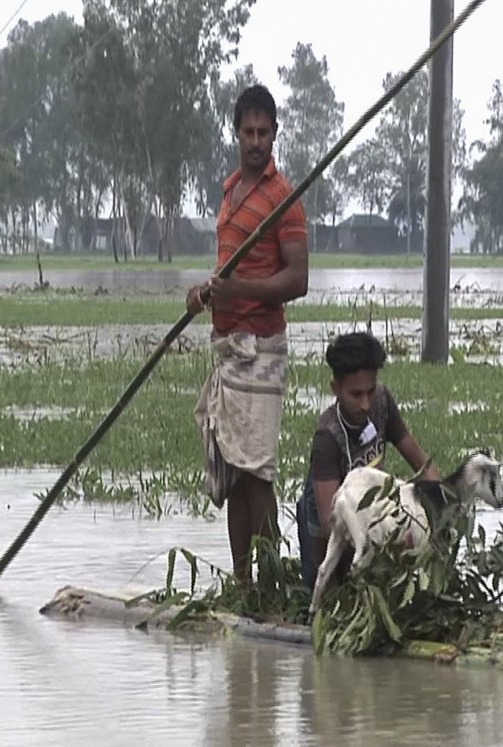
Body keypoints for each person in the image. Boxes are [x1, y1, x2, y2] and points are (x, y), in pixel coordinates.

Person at [186, 83, 309, 586]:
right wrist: (205, 293)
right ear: (236, 134)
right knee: (236, 472)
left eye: (264, 132)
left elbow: (297, 280)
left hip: (261, 348)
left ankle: (272, 577)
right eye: (248, 131)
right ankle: (243, 582)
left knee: (258, 470)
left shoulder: (285, 200)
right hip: (228, 347)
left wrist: (240, 289)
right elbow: (223, 273)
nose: (256, 140)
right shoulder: (230, 190)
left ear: (275, 135)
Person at [297, 332, 442, 589]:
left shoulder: (382, 402)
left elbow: (422, 464)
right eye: (356, 395)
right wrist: (383, 545)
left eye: (370, 391)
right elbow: (330, 524)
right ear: (336, 389)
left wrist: (443, 508)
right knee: (330, 590)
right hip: (329, 523)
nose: (366, 404)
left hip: (369, 510)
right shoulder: (328, 437)